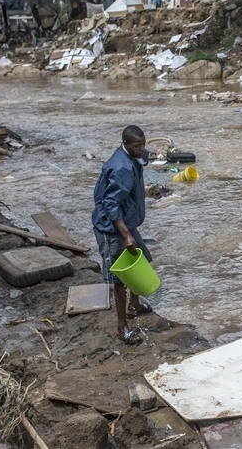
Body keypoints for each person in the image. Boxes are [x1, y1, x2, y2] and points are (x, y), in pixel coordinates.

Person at [92, 125, 154, 345]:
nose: (142, 149)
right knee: (120, 279)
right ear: (126, 144)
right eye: (137, 146)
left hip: (126, 222)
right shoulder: (122, 168)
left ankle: (134, 305)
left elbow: (144, 158)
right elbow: (110, 204)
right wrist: (126, 236)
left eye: (143, 144)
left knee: (142, 258)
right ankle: (122, 328)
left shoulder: (132, 157)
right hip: (111, 228)